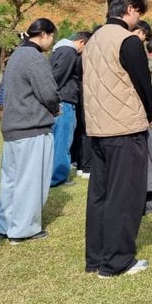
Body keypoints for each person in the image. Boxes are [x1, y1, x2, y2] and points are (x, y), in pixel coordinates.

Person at [82, 0, 152, 277]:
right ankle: (117, 261)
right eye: (138, 12)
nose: (138, 19)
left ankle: (96, 257)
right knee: (124, 196)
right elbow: (142, 84)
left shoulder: (93, 40)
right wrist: (151, 112)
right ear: (130, 9)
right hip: (125, 128)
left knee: (100, 193)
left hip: (98, 128)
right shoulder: (128, 41)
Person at [0, 18, 60, 245]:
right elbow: (48, 92)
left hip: (13, 126)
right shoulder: (34, 58)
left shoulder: (16, 55)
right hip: (31, 126)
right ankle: (24, 229)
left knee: (11, 180)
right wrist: (55, 107)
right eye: (52, 37)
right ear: (43, 34)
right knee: (30, 181)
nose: (52, 42)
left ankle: (5, 224)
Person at [49, 31, 92, 187]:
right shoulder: (70, 52)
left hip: (60, 100)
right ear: (82, 42)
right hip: (65, 101)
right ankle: (58, 177)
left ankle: (53, 174)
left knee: (57, 139)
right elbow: (58, 77)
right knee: (63, 140)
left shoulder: (59, 50)